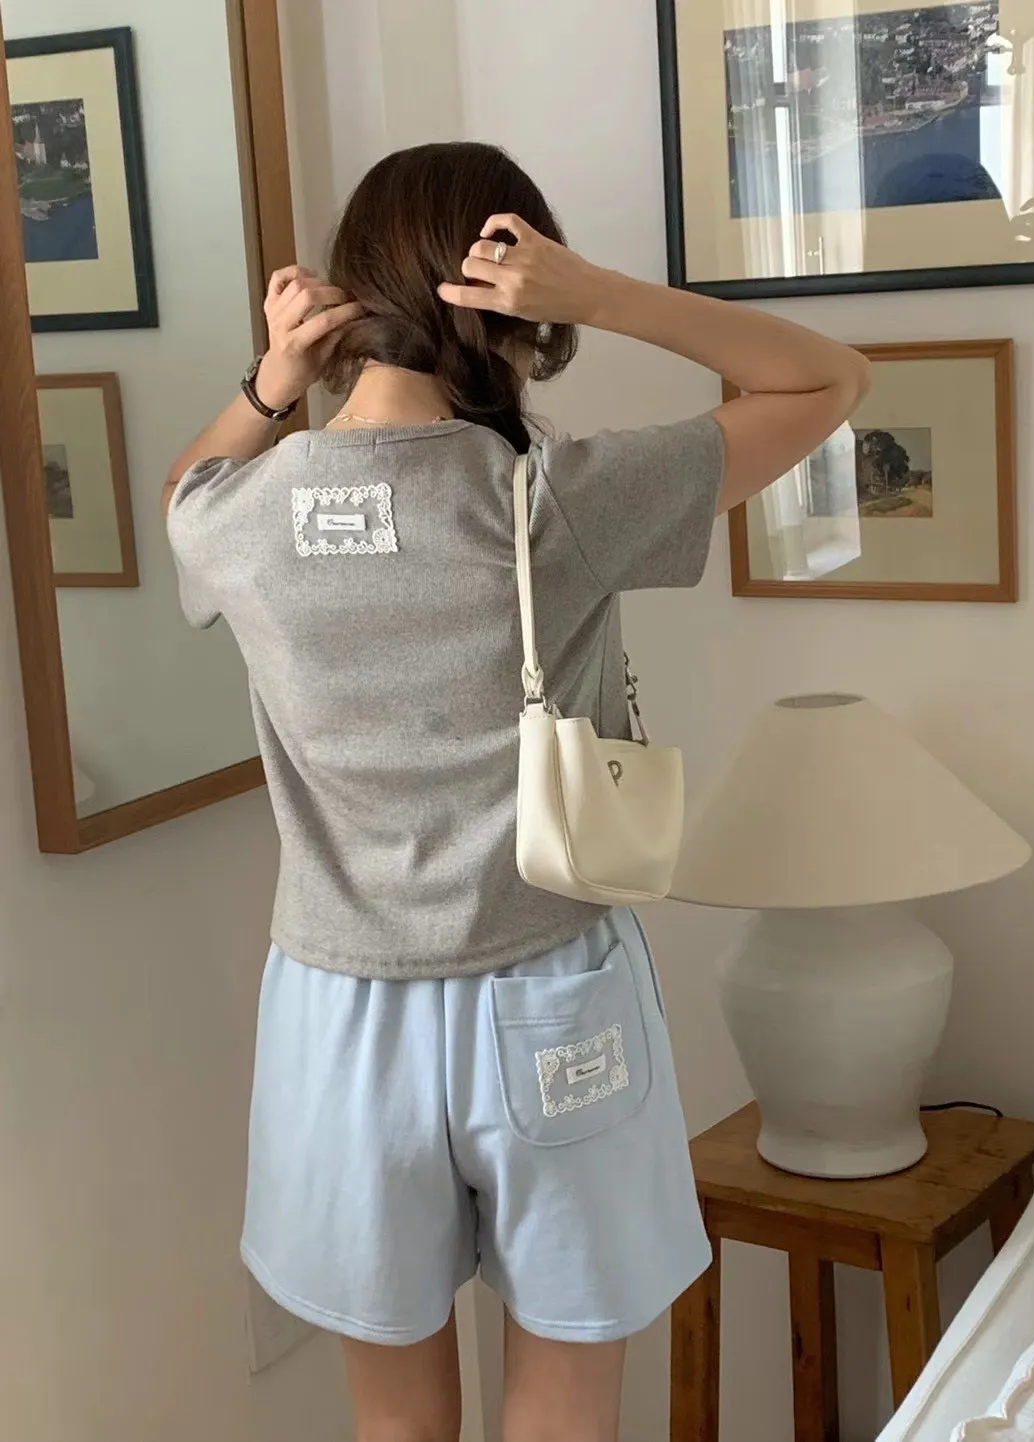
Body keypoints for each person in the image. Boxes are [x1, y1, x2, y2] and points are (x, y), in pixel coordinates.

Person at [164, 141, 869, 1442]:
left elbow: (182, 497)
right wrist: (598, 294)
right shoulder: (555, 500)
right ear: (510, 295)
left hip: (337, 1011)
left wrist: (273, 381)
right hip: (552, 988)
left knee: (395, 1421)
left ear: (352, 294)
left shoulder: (242, 516)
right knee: (563, 1407)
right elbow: (829, 378)